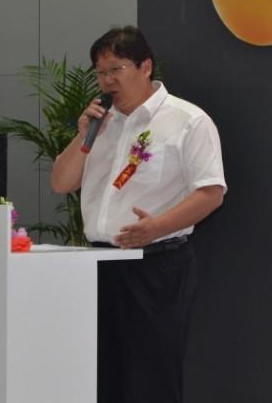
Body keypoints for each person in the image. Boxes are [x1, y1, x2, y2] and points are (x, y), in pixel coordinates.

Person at [51, 25, 226, 403]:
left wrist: (157, 227)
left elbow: (211, 192)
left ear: (145, 67)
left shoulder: (187, 120)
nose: (107, 80)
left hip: (155, 266)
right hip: (97, 264)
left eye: (116, 69)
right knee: (100, 378)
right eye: (100, 72)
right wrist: (84, 137)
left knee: (150, 379)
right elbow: (61, 183)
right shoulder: (100, 123)